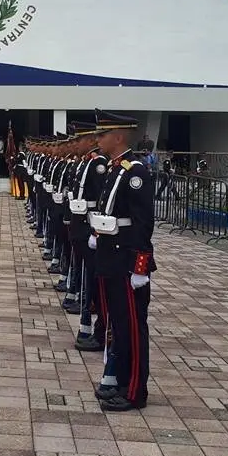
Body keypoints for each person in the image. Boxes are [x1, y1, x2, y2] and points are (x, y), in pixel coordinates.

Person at [89, 111, 156, 412]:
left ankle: (135, 391)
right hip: (111, 257)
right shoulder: (115, 169)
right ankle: (119, 380)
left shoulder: (134, 172)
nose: (98, 139)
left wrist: (140, 267)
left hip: (126, 262)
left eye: (102, 134)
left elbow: (143, 224)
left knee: (132, 327)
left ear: (118, 137)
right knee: (118, 324)